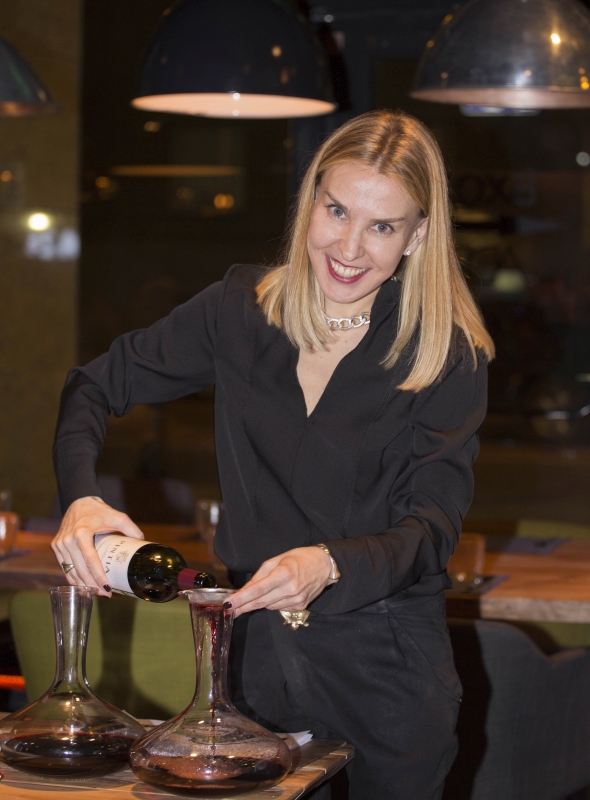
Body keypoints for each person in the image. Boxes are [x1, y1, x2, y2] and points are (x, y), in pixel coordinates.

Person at [52, 110, 494, 800]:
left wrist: (330, 563)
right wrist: (81, 498)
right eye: (337, 210)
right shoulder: (239, 307)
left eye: (382, 227)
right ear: (311, 200)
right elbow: (93, 386)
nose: (349, 247)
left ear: (418, 236)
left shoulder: (447, 355)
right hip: (250, 667)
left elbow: (431, 529)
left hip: (389, 674)